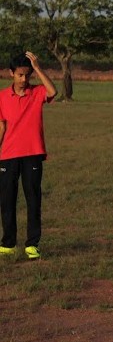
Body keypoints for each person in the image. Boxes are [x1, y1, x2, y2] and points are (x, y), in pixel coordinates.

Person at [0, 51, 57, 260]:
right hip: (8, 155)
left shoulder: (37, 93)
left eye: (27, 75)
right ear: (11, 74)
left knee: (33, 199)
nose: (24, 80)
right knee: (7, 200)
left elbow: (53, 91)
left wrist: (38, 67)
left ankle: (32, 244)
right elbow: (1, 126)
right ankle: (8, 243)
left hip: (33, 154)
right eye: (20, 75)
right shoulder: (2, 97)